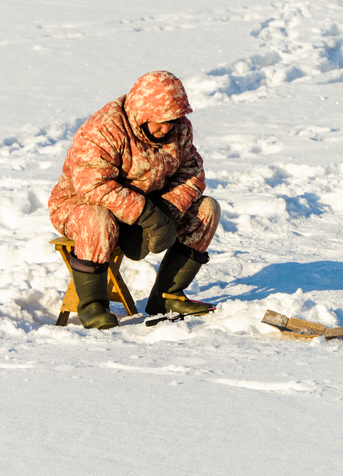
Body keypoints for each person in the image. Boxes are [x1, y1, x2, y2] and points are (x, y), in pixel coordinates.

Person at [48, 71, 221, 329]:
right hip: (79, 205)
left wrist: (165, 210)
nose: (168, 128)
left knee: (208, 209)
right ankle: (93, 305)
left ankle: (167, 296)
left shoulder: (179, 130)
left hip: (148, 206)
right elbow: (93, 186)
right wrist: (147, 214)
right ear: (143, 113)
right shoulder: (104, 129)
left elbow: (192, 174)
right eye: (161, 121)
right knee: (97, 219)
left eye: (173, 120)